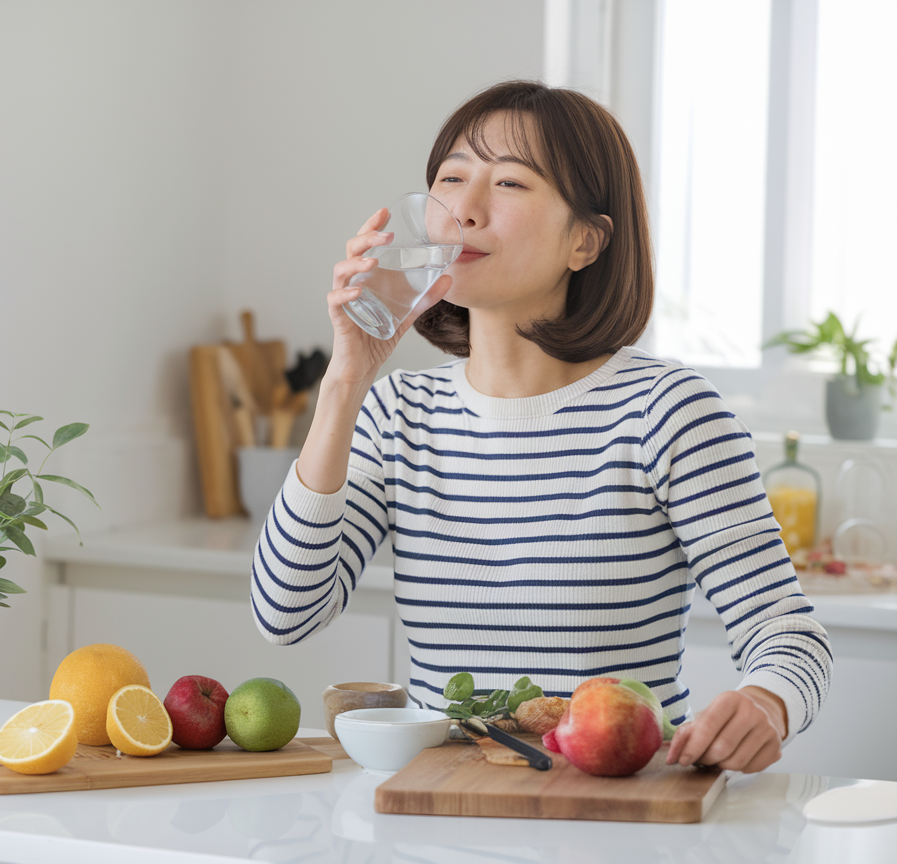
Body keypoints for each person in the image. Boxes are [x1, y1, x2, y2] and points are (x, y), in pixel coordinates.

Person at [249, 80, 831, 774]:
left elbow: (787, 633)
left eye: (511, 184)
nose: (463, 208)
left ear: (584, 240)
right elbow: (285, 616)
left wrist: (767, 702)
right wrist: (347, 380)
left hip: (617, 813)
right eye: (451, 179)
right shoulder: (396, 414)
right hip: (441, 813)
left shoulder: (666, 412)